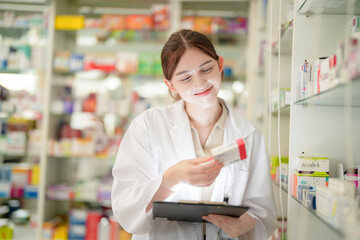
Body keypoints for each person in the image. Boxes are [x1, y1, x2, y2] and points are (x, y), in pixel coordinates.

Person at [111, 29, 276, 240]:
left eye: (206, 69)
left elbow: (263, 212)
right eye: (186, 78)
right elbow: (126, 208)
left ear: (220, 64)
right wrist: (170, 179)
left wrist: (244, 224)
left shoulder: (249, 134)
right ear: (170, 85)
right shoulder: (147, 127)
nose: (200, 83)